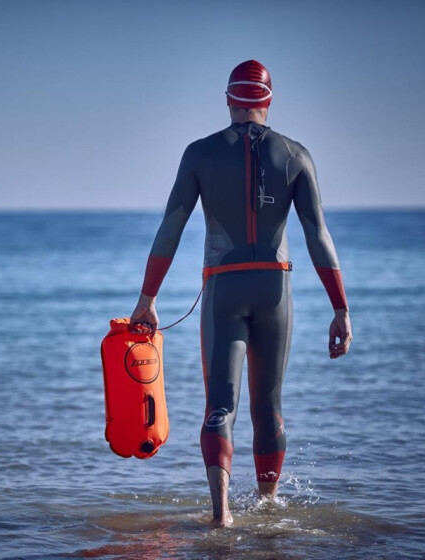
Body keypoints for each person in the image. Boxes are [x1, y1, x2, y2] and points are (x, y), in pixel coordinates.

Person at [129, 60, 352, 527]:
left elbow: (171, 227)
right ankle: (269, 512)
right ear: (268, 102)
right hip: (276, 287)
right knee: (269, 407)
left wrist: (148, 298)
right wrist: (340, 308)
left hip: (224, 287)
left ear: (229, 99)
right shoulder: (297, 155)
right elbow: (319, 237)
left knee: (221, 406)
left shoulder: (199, 154)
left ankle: (222, 514)